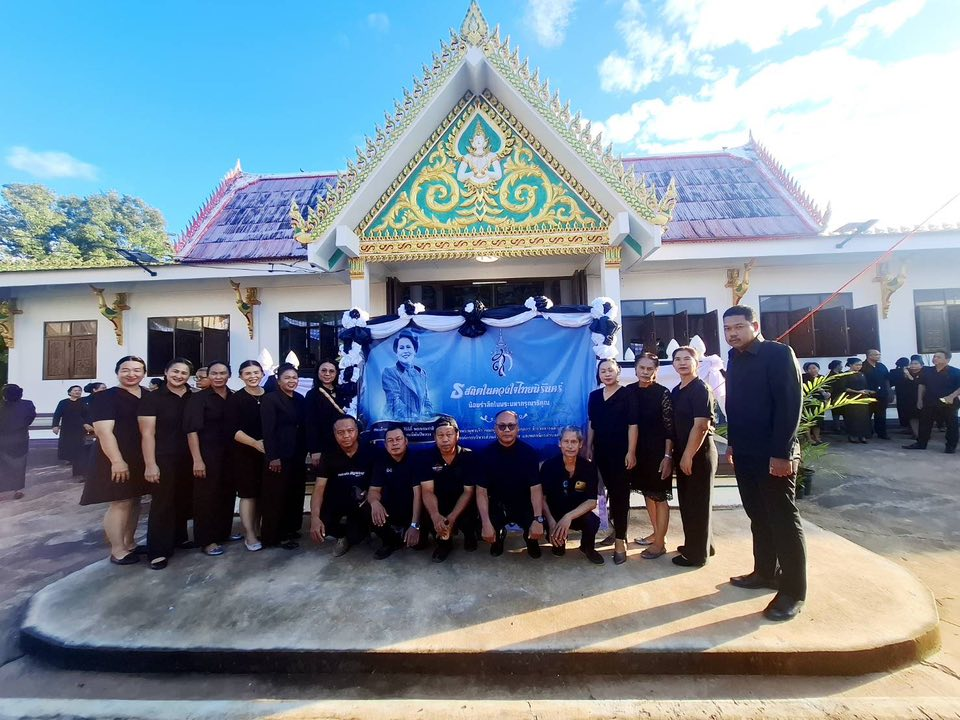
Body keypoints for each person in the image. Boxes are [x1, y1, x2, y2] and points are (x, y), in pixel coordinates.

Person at [723, 305, 805, 622]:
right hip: (745, 452)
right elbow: (736, 405)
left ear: (754, 325)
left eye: (739, 327)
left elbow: (789, 406)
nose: (732, 333)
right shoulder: (734, 358)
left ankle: (793, 591)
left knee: (783, 521)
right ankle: (764, 572)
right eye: (728, 328)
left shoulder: (778, 354)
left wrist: (783, 454)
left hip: (774, 455)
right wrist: (732, 442)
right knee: (758, 515)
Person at [80, 356, 149, 564]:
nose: (131, 374)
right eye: (126, 370)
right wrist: (117, 461)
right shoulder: (105, 397)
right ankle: (117, 549)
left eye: (137, 370)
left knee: (135, 499)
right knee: (121, 501)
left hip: (139, 454)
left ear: (144, 373)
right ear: (117, 372)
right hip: (114, 455)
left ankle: (130, 543)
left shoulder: (147, 395)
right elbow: (104, 432)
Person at [139, 357, 195, 569]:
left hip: (189, 455)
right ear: (166, 372)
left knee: (182, 498)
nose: (179, 376)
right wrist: (150, 463)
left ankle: (179, 538)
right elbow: (147, 433)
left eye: (184, 373)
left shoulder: (193, 396)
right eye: (175, 372)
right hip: (163, 456)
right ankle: (158, 550)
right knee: (162, 502)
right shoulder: (153, 398)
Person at [670, 347, 718, 569]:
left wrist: (688, 455)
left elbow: (701, 426)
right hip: (683, 453)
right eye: (677, 359)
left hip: (699, 454)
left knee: (698, 503)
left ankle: (697, 555)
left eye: (687, 359)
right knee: (689, 503)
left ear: (697, 363)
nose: (682, 363)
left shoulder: (700, 389)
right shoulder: (677, 390)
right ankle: (701, 544)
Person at [587, 358, 637, 564]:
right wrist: (588, 447)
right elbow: (592, 423)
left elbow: (633, 425)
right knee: (602, 495)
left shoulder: (628, 395)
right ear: (598, 375)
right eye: (603, 371)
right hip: (600, 453)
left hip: (621, 453)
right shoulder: (595, 396)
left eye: (610, 370)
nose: (607, 374)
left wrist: (631, 451)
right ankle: (612, 530)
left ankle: (620, 540)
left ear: (618, 373)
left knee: (620, 496)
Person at [476, 410, 545, 559]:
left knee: (537, 524)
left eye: (511, 426)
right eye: (501, 426)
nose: (506, 430)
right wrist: (486, 523)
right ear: (495, 428)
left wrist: (538, 519)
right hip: (498, 504)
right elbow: (481, 492)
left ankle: (531, 539)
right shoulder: (485, 455)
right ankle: (498, 538)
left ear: (517, 428)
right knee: (481, 527)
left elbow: (536, 489)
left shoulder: (529, 453)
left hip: (523, 504)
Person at [185, 360, 236, 556]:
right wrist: (197, 459)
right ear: (208, 376)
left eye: (222, 373)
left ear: (229, 375)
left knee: (226, 493)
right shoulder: (199, 399)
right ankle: (206, 540)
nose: (218, 377)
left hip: (230, 453)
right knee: (206, 496)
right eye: (214, 373)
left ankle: (223, 533)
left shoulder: (232, 396)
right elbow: (191, 430)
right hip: (207, 453)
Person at [629, 353, 675, 560]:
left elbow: (669, 429)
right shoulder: (628, 391)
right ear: (636, 369)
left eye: (650, 369)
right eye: (642, 368)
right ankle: (656, 533)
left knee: (660, 496)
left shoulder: (663, 393)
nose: (646, 373)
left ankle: (660, 543)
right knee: (648, 494)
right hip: (639, 452)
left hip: (658, 452)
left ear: (656, 371)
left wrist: (667, 456)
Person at [309, 415, 373, 556]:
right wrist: (314, 518)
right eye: (340, 432)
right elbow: (319, 487)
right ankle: (341, 536)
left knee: (357, 537)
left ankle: (363, 530)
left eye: (350, 431)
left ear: (357, 431)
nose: (346, 436)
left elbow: (377, 484)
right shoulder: (328, 454)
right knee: (321, 522)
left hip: (360, 501)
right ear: (334, 434)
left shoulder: (369, 451)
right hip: (337, 500)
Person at [539, 426, 604, 565]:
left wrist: (568, 517)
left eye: (574, 442)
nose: (569, 446)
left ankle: (587, 547)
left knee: (592, 521)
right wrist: (551, 522)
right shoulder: (549, 466)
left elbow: (592, 501)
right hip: (554, 516)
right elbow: (542, 499)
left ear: (580, 444)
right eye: (566, 441)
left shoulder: (588, 467)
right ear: (560, 443)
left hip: (577, 514)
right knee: (558, 551)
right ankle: (557, 541)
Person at [260, 362, 307, 548]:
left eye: (294, 378)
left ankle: (291, 529)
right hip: (278, 455)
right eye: (287, 378)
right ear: (278, 381)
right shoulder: (270, 399)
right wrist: (273, 456)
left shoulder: (300, 399)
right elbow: (268, 430)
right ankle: (274, 536)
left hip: (297, 454)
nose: (291, 381)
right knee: (276, 496)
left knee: (294, 493)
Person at [420, 416, 478, 563]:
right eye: (440, 435)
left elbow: (468, 492)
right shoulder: (427, 457)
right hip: (439, 504)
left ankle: (470, 535)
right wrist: (435, 515)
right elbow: (427, 491)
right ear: (435, 437)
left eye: (449, 434)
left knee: (469, 518)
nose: (445, 439)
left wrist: (452, 518)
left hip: (463, 504)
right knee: (428, 516)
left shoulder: (468, 456)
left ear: (457, 435)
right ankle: (444, 544)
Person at [225, 359, 267, 551]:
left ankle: (258, 530)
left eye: (256, 372)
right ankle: (249, 534)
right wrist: (254, 443)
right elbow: (233, 430)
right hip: (245, 452)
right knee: (248, 494)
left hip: (267, 453)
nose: (253, 376)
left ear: (262, 374)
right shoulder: (236, 399)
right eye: (248, 373)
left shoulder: (270, 395)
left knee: (261, 493)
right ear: (241, 376)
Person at [366, 424, 423, 559]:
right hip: (390, 509)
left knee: (419, 545)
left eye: (398, 439)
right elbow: (374, 490)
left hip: (412, 510)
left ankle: (406, 532)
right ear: (386, 445)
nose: (395, 443)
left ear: (406, 441)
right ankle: (390, 541)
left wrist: (415, 525)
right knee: (367, 507)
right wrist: (374, 502)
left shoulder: (416, 460)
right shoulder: (381, 461)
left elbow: (418, 494)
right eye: (390, 441)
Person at [905, 350, 960, 454]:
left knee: (951, 425)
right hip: (929, 401)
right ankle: (921, 443)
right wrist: (919, 400)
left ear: (947, 359)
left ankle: (950, 446)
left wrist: (952, 396)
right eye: (934, 356)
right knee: (924, 423)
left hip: (948, 402)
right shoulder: (927, 371)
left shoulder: (956, 372)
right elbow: (922, 385)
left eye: (938, 357)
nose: (935, 359)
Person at [381, 329, 433, 422]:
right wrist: (416, 420)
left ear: (415, 350)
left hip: (420, 427)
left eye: (408, 347)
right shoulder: (390, 372)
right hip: (397, 424)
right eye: (401, 348)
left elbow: (426, 401)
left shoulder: (421, 373)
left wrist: (427, 417)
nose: (405, 351)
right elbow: (395, 402)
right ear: (396, 352)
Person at [305, 359, 347, 469]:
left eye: (331, 371)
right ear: (317, 372)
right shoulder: (312, 395)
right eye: (323, 370)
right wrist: (315, 450)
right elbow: (311, 424)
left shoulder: (343, 392)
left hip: (344, 443)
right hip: (324, 445)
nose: (327, 374)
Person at [0, 384, 37, 500]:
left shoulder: (1, 406)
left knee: (2, 465)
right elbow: (31, 417)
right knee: (19, 465)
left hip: (2, 439)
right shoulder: (28, 404)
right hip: (21, 438)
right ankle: (17, 489)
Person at [52, 385, 92, 478]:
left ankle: (80, 472)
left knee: (80, 449)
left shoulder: (84, 402)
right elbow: (57, 414)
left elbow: (88, 415)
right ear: (70, 392)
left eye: (79, 390)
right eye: (75, 390)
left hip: (80, 428)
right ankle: (73, 465)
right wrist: (55, 425)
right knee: (69, 447)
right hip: (67, 428)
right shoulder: (63, 402)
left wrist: (87, 424)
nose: (77, 392)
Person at [841, 358, 872, 443]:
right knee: (852, 417)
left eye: (860, 365)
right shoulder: (845, 374)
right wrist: (857, 392)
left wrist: (867, 391)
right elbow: (844, 388)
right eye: (857, 365)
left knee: (863, 417)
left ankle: (862, 435)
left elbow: (865, 385)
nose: (859, 367)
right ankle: (852, 435)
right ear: (850, 365)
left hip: (862, 398)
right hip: (851, 398)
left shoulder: (862, 374)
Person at [893, 355, 924, 439]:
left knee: (921, 417)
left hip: (920, 397)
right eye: (912, 364)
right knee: (912, 416)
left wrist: (909, 376)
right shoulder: (906, 372)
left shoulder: (924, 372)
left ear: (921, 365)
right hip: (909, 398)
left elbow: (917, 384)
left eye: (916, 363)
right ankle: (916, 434)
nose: (913, 365)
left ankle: (923, 434)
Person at [862, 349, 890, 439]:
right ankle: (867, 432)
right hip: (868, 394)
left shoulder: (881, 366)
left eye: (879, 354)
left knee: (881, 414)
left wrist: (888, 391)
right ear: (870, 356)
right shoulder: (863, 366)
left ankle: (881, 433)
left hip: (881, 394)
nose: (879, 356)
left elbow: (887, 378)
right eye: (876, 355)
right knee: (867, 414)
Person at [801, 362, 828, 445]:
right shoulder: (803, 377)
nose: (812, 370)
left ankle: (817, 437)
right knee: (807, 421)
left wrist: (827, 394)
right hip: (807, 402)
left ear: (818, 368)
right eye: (809, 368)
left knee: (818, 421)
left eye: (814, 368)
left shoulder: (822, 377)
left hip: (819, 402)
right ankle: (809, 439)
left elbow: (829, 387)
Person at [825, 360, 846, 434]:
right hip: (835, 395)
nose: (842, 366)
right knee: (836, 412)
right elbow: (829, 386)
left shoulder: (842, 374)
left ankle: (844, 426)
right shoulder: (831, 375)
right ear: (837, 366)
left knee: (845, 411)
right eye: (841, 365)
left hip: (843, 395)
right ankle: (837, 427)